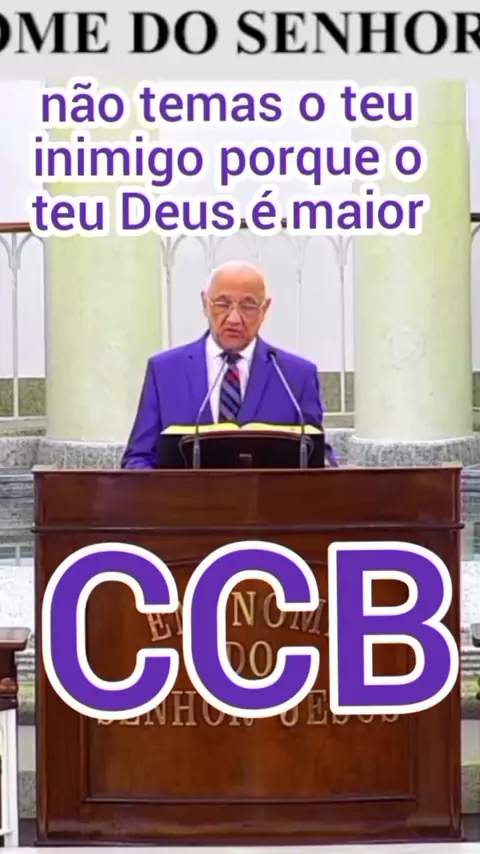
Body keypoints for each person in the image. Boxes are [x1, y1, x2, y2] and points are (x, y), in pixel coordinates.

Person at [121, 260, 326, 469]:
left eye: (248, 306)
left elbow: (319, 460)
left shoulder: (296, 376)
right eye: (222, 304)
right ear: (205, 303)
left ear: (264, 309)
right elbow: (138, 458)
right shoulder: (165, 371)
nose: (234, 319)